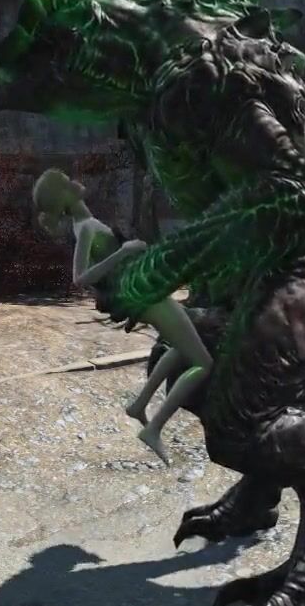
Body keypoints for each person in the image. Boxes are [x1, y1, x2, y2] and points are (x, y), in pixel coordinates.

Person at [32, 168, 212, 465]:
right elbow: (80, 278)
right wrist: (124, 251)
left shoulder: (87, 223)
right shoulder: (86, 227)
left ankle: (139, 405)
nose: (74, 182)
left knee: (182, 346)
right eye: (66, 182)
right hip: (149, 299)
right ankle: (154, 429)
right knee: (203, 364)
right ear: (64, 196)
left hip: (147, 292)